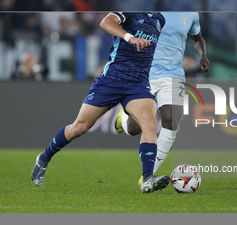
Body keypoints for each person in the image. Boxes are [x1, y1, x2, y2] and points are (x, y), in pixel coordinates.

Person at [31, 12, 170, 193]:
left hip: (138, 84)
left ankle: (148, 178)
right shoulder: (130, 13)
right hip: (111, 81)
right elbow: (106, 22)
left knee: (150, 124)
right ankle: (44, 157)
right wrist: (129, 37)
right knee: (79, 128)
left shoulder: (160, 19)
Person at [114, 12, 210, 185]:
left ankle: (148, 175)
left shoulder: (190, 14)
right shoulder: (146, 11)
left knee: (171, 119)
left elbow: (197, 38)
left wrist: (202, 55)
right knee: (135, 128)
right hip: (144, 73)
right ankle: (123, 120)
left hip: (173, 76)